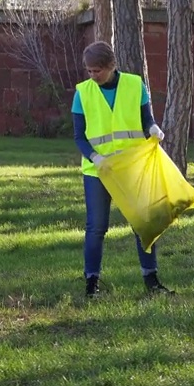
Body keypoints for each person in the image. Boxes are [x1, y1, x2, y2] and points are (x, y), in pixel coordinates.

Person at [73, 40, 174, 298]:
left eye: (97, 70)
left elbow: (146, 118)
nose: (93, 75)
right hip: (99, 170)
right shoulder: (82, 92)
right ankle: (91, 284)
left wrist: (152, 128)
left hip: (131, 167)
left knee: (144, 223)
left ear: (111, 66)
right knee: (96, 227)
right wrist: (94, 157)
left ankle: (151, 280)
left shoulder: (134, 84)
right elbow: (79, 137)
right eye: (89, 71)